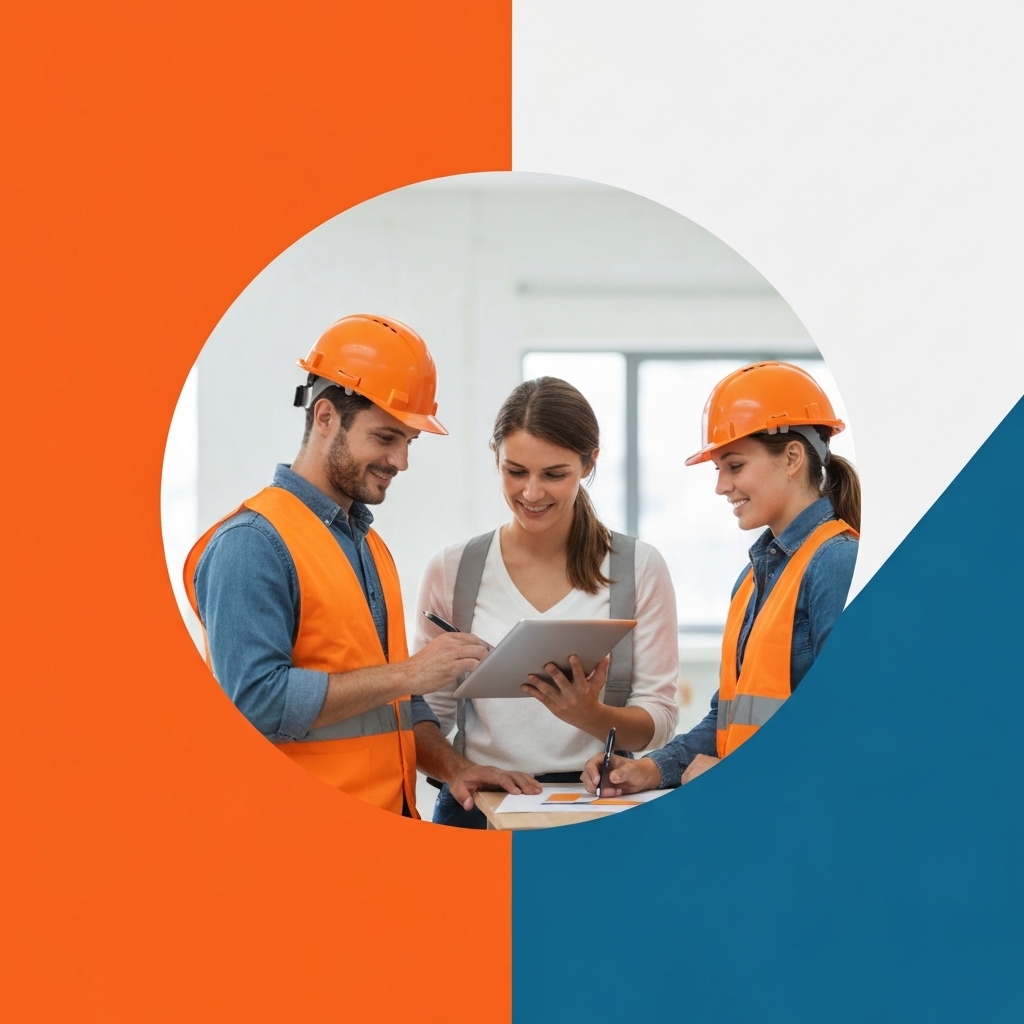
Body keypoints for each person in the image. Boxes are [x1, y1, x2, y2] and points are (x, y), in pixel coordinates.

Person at [184, 314, 539, 817]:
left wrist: (456, 768)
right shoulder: (252, 543)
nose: (402, 461)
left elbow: (392, 702)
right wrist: (411, 673)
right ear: (325, 416)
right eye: (386, 437)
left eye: (409, 443)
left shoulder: (367, 545)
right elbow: (256, 702)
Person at [582, 361, 860, 795]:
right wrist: (651, 769)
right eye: (718, 470)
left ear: (791, 458)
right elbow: (725, 721)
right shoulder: (753, 579)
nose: (721, 487)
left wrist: (741, 777)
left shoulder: (836, 563)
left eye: (734, 466)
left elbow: (852, 728)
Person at [416, 377, 680, 828]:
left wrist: (591, 716)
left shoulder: (638, 568)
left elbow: (660, 718)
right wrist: (455, 769)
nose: (532, 493)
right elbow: (424, 716)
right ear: (494, 457)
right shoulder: (454, 570)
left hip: (596, 810)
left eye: (554, 474)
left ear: (589, 463)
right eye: (515, 471)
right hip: (478, 810)